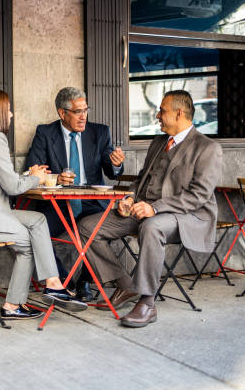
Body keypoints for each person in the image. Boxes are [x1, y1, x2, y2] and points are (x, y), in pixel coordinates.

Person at [79, 90, 222, 327]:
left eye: (162, 111)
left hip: (186, 216)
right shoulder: (158, 142)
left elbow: (199, 195)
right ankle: (126, 284)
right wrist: (129, 197)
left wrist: (155, 208)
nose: (157, 115)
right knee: (87, 227)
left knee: (152, 226)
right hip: (145, 210)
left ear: (179, 113)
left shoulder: (207, 148)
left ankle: (147, 302)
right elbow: (143, 179)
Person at [0, 88, 87, 319]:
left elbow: (3, 179)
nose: (11, 114)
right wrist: (36, 178)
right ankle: (13, 305)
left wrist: (28, 175)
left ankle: (53, 283)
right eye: (8, 109)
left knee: (38, 219)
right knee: (27, 242)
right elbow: (11, 187)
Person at [25, 87, 125, 301]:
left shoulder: (100, 132)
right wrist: (56, 179)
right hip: (58, 202)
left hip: (91, 201)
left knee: (95, 231)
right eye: (77, 111)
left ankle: (84, 282)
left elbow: (111, 170)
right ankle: (62, 280)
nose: (83, 117)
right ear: (62, 113)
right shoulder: (45, 132)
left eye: (85, 110)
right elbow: (33, 168)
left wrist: (117, 165)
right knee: (36, 232)